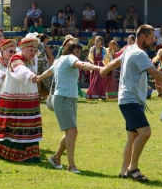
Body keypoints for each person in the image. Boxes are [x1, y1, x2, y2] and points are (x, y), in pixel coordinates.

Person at [100, 25, 162, 182]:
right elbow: (155, 73)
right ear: (142, 37)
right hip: (131, 100)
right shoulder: (139, 53)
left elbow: (115, 62)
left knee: (132, 137)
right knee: (145, 132)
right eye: (151, 38)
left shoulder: (129, 49)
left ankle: (123, 171)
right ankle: (132, 169)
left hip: (129, 99)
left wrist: (103, 70)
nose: (153, 41)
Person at [36, 39, 103, 173]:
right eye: (76, 51)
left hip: (69, 98)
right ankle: (71, 166)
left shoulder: (59, 60)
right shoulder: (69, 58)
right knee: (72, 131)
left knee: (71, 132)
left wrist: (38, 78)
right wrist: (98, 67)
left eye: (79, 52)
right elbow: (82, 65)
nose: (78, 55)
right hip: (64, 99)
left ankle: (56, 158)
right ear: (70, 50)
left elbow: (49, 71)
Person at [0, 36, 43, 162]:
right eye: (31, 50)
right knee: (13, 125)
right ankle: (10, 153)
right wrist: (30, 76)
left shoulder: (30, 60)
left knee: (28, 123)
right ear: (23, 49)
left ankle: (29, 154)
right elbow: (20, 69)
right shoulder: (16, 58)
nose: (33, 53)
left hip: (27, 98)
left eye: (35, 51)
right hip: (14, 99)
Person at [86, 36, 109, 100]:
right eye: (96, 41)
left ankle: (101, 95)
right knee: (94, 80)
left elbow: (106, 58)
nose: (96, 42)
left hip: (101, 66)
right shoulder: (92, 49)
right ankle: (93, 94)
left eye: (98, 41)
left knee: (101, 81)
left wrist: (106, 67)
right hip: (94, 66)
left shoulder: (104, 49)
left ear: (101, 42)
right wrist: (92, 63)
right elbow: (90, 57)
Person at [36, 34, 55, 100]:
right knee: (46, 79)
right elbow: (49, 55)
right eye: (47, 38)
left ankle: (38, 96)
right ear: (44, 39)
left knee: (38, 79)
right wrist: (55, 62)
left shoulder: (36, 44)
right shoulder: (45, 45)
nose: (48, 40)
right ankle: (52, 94)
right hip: (42, 64)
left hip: (36, 64)